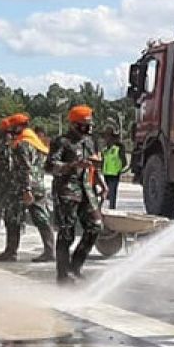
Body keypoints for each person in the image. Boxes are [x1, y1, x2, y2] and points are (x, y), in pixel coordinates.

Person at [47, 106, 104, 283]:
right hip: (67, 190)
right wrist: (72, 165)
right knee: (67, 232)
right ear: (74, 124)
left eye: (90, 124)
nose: (89, 128)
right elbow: (49, 166)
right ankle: (63, 275)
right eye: (84, 124)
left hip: (87, 190)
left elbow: (93, 163)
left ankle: (75, 266)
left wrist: (101, 182)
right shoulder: (62, 142)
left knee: (95, 226)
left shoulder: (89, 142)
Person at [0, 113, 55, 263]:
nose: (11, 130)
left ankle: (11, 252)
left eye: (13, 127)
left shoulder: (22, 144)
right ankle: (50, 251)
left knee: (12, 218)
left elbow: (25, 168)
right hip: (38, 185)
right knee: (42, 218)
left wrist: (26, 190)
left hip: (21, 188)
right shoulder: (37, 143)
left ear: (19, 127)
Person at [101, 129, 126, 209]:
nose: (105, 139)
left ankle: (112, 207)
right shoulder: (105, 149)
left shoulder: (118, 149)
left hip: (114, 174)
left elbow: (124, 161)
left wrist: (119, 169)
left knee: (112, 192)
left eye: (107, 136)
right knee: (107, 191)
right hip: (106, 174)